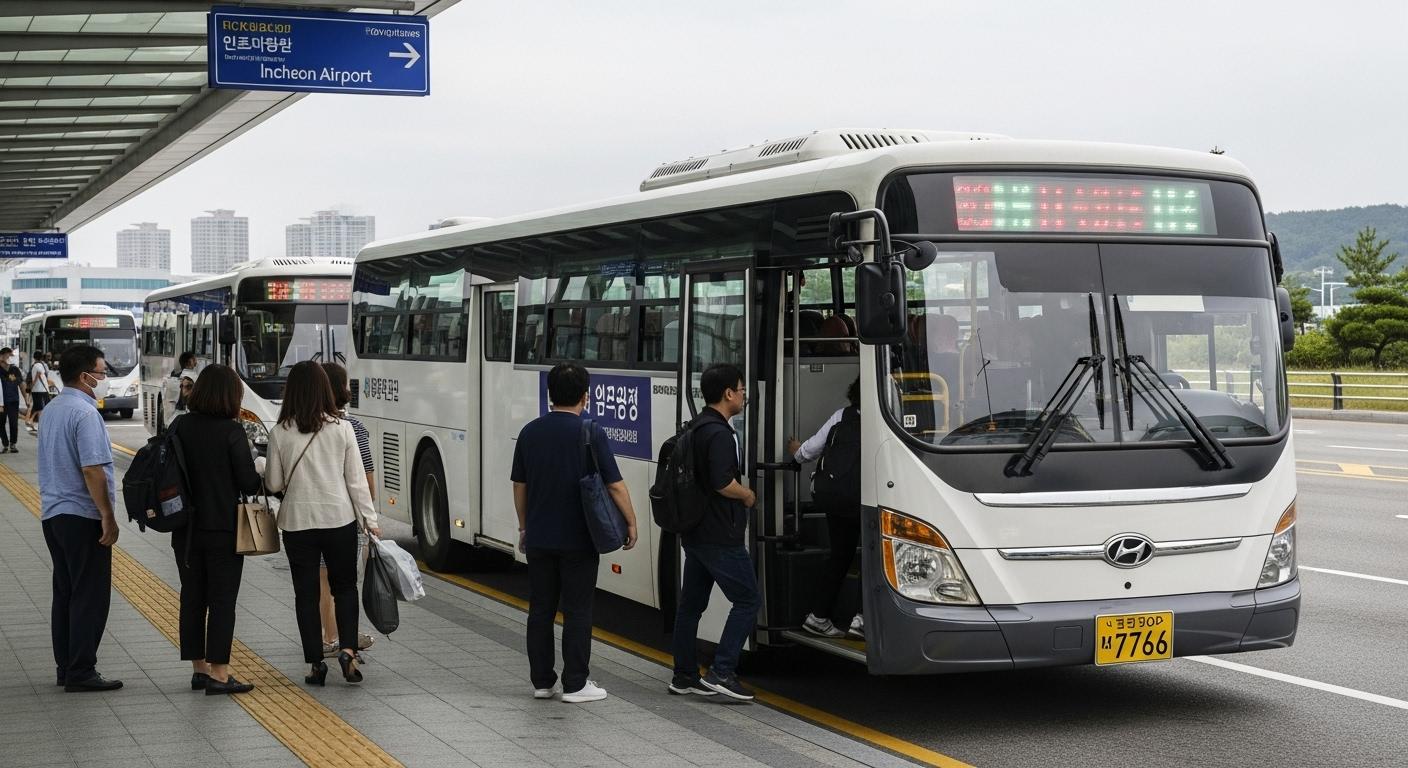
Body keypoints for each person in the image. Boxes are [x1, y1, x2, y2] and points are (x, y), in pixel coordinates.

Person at [511, 363, 638, 704]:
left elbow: (519, 486)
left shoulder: (530, 432)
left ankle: (542, 681)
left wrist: (525, 526)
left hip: (539, 537)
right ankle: (576, 683)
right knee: (578, 610)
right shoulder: (590, 431)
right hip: (579, 539)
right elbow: (615, 485)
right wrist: (631, 522)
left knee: (540, 610)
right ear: (586, 395)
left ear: (549, 394)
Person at [265, 361, 378, 687]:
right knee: (344, 588)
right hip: (339, 519)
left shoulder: (280, 432)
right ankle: (347, 651)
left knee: (306, 594)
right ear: (325, 391)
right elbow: (356, 482)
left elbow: (273, 483)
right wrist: (370, 521)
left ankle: (316, 663)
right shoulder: (341, 429)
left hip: (298, 523)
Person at [169, 364, 263, 695]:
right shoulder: (231, 431)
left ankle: (199, 670)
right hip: (223, 529)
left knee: (192, 597)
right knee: (222, 601)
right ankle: (220, 674)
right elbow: (248, 482)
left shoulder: (179, 425)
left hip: (185, 529)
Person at [669, 363, 760, 701]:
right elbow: (722, 482)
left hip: (696, 532)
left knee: (690, 605)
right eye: (741, 389)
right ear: (728, 394)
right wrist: (747, 494)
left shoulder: (697, 426)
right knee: (748, 599)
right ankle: (721, 672)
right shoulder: (720, 433)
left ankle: (684, 675)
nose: (744, 396)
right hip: (720, 535)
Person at [38, 345, 121, 692]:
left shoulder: (53, 409)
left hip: (53, 516)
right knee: (90, 594)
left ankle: (66, 667)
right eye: (101, 373)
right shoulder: (86, 415)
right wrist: (107, 515)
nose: (103, 379)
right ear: (86, 376)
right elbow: (92, 469)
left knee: (66, 593)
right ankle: (82, 670)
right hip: (82, 515)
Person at [788, 378, 864, 641]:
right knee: (874, 557)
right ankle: (862, 619)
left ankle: (818, 616)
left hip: (835, 499)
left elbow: (806, 453)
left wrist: (796, 451)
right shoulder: (888, 418)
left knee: (840, 556)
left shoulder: (841, 416)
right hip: (866, 500)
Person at [317, 362, 376, 657]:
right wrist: (369, 516)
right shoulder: (353, 428)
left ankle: (327, 636)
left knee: (321, 580)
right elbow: (366, 479)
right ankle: (337, 637)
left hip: (310, 517)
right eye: (347, 383)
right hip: (344, 517)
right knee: (342, 581)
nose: (350, 388)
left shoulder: (298, 424)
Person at [0, 347, 23, 452]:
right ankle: (5, 444)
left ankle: (13, 444)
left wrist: (26, 397)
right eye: (10, 355)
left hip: (13, 400)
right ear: (3, 355)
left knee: (13, 423)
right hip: (1, 402)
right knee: (1, 423)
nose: (12, 357)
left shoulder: (14, 369)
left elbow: (21, 384)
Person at [28, 350, 55, 434]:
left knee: (39, 407)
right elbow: (40, 374)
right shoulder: (40, 365)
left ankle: (37, 424)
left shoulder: (36, 365)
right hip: (41, 389)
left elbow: (39, 374)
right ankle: (33, 422)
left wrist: (32, 385)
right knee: (40, 407)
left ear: (34, 357)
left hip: (38, 389)